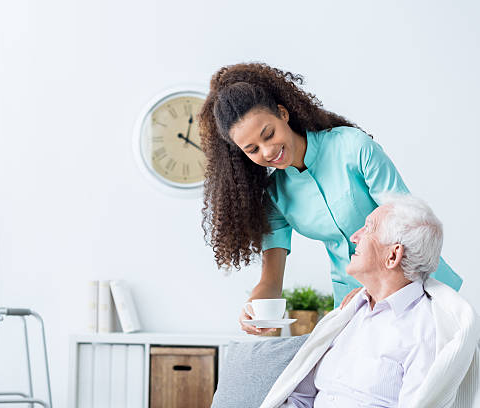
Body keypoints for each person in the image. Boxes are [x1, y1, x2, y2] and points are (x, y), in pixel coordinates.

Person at [197, 62, 462, 335]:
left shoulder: (352, 147)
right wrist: (254, 308)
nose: (267, 151)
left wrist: (375, 289)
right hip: (353, 305)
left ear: (283, 114)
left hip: (419, 288)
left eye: (269, 134)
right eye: (252, 149)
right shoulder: (275, 195)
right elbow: (271, 281)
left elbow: (410, 226)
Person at [260, 194, 480, 407]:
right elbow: (300, 398)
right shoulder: (348, 314)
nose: (354, 237)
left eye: (368, 228)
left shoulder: (425, 332)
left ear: (393, 256)